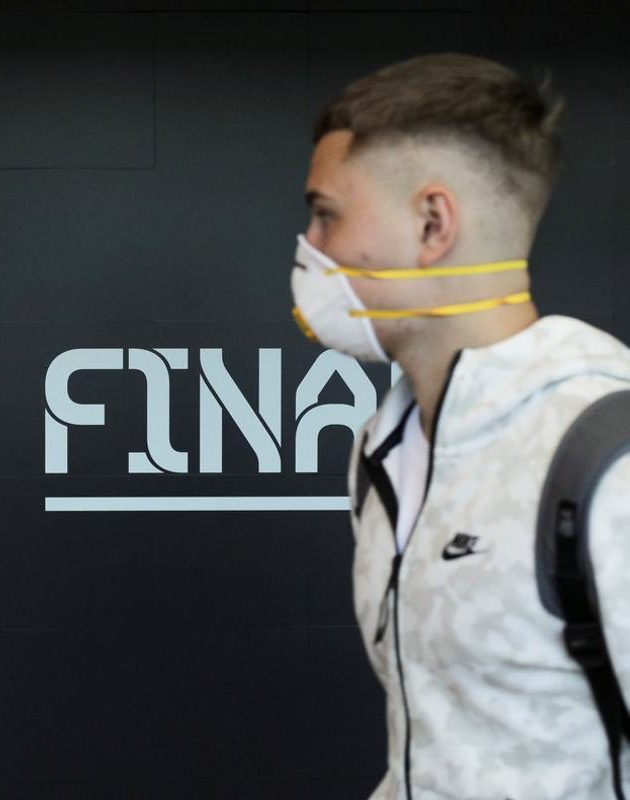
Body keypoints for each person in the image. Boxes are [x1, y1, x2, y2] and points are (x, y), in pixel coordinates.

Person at [291, 52, 630, 799]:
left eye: (327, 215)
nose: (310, 249)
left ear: (433, 223)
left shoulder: (606, 454)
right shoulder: (384, 449)